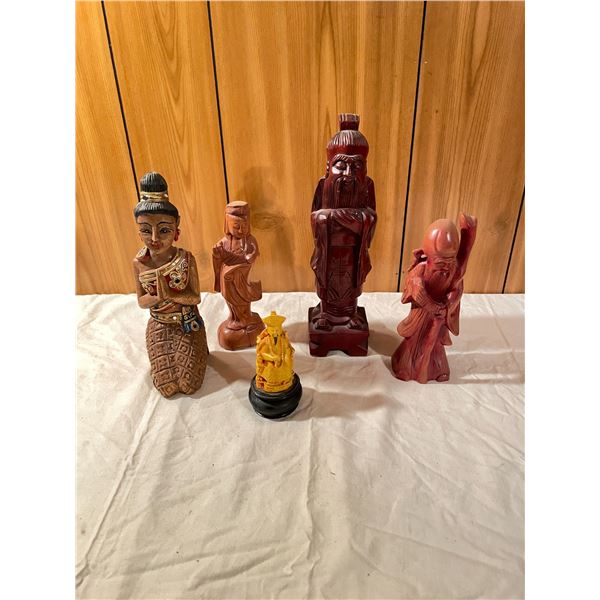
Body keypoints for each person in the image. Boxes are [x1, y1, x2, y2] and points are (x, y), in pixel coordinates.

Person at [132, 172, 208, 397]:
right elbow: (141, 301)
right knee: (166, 386)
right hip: (159, 323)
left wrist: (170, 294)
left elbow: (195, 297)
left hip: (187, 323)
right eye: (146, 230)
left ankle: (199, 349)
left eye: (164, 230)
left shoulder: (185, 259)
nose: (155, 238)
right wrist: (158, 297)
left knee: (189, 384)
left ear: (176, 231)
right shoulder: (139, 263)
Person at [391, 213, 477, 383]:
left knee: (435, 344)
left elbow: (457, 290)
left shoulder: (455, 270)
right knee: (415, 340)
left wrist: (447, 306)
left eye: (449, 262)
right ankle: (406, 367)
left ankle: (436, 369)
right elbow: (417, 290)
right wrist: (431, 306)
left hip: (440, 315)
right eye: (440, 263)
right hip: (422, 314)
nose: (445, 267)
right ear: (428, 256)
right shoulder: (421, 269)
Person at [212, 201, 264, 350]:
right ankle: (235, 319)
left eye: (244, 226)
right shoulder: (224, 243)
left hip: (242, 280)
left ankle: (246, 319)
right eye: (236, 226)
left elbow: (252, 256)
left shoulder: (250, 241)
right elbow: (218, 258)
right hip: (228, 282)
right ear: (227, 225)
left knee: (244, 302)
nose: (241, 230)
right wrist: (217, 254)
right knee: (232, 302)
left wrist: (247, 258)